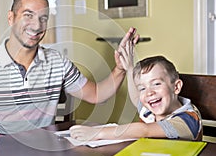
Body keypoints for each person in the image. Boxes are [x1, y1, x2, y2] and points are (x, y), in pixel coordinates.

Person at [0, 0, 139, 148]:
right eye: (28, 15)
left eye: (43, 18)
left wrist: (120, 68)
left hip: (43, 154)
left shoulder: (58, 62)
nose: (37, 25)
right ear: (11, 18)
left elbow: (97, 94)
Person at [70, 55, 203, 141]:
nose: (149, 92)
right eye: (143, 88)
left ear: (176, 87)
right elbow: (136, 97)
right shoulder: (150, 111)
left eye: (156, 84)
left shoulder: (188, 119)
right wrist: (129, 68)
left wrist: (98, 133)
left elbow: (144, 130)